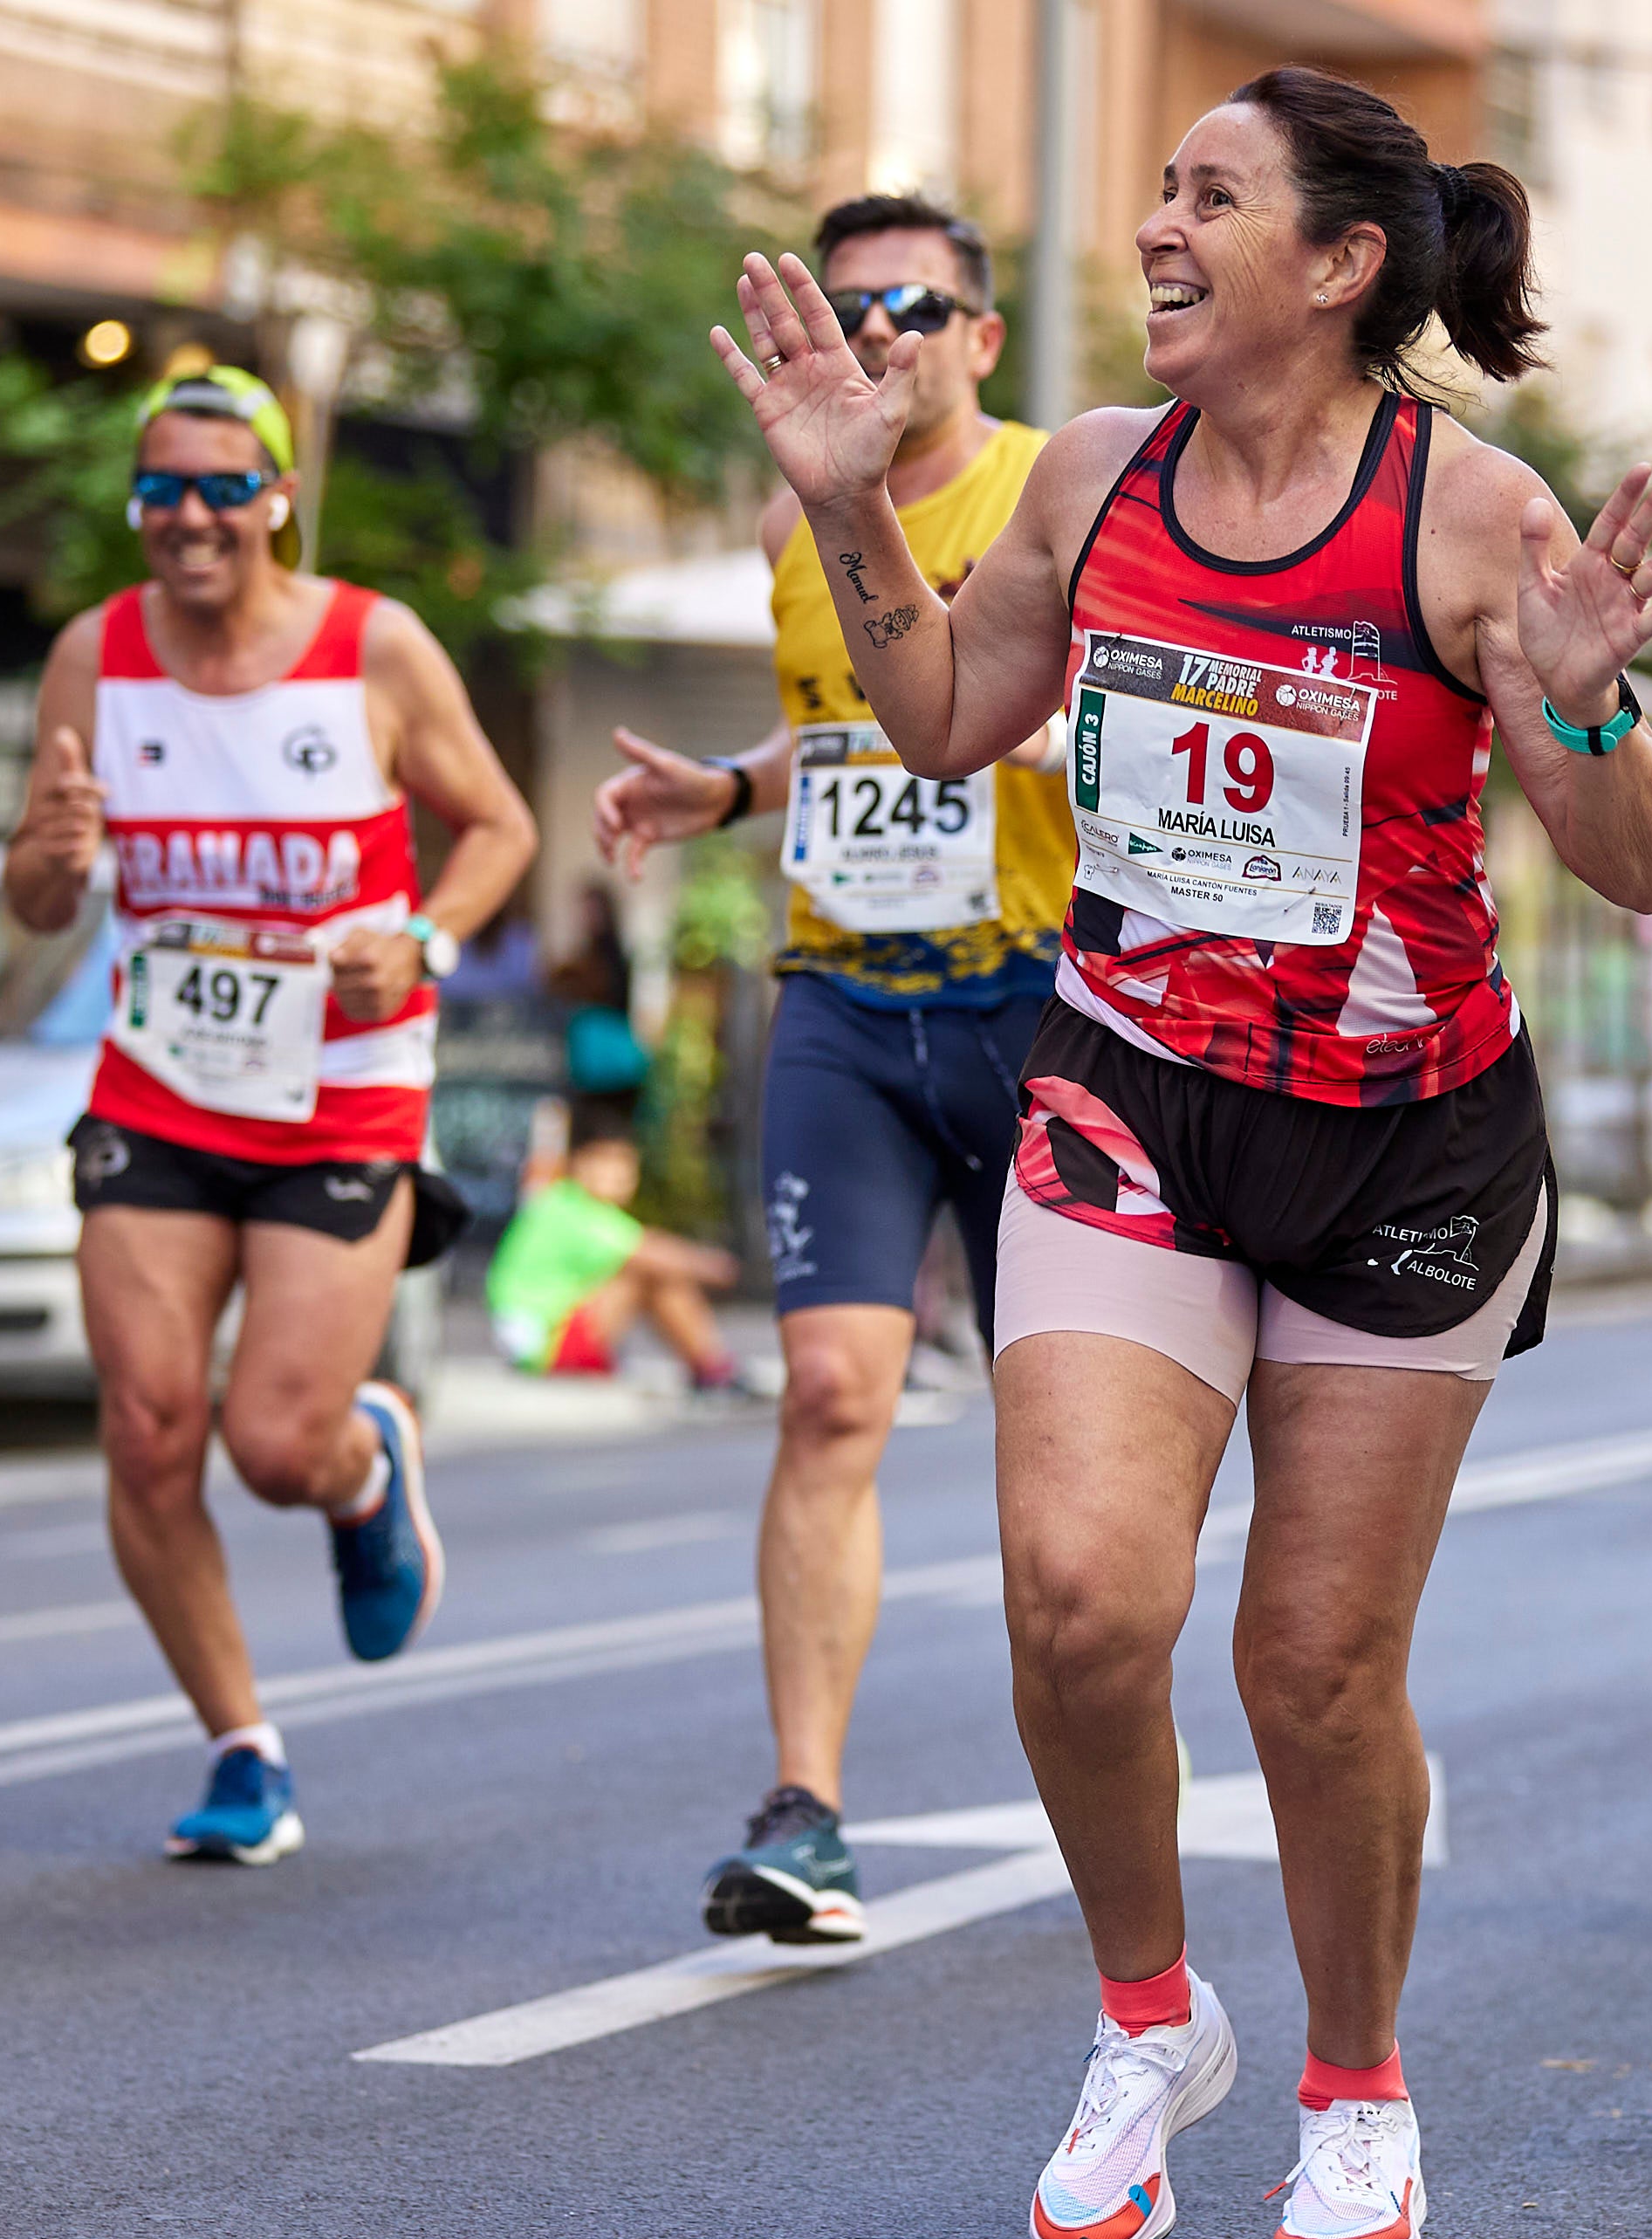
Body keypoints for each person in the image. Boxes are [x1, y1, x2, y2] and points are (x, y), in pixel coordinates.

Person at [713, 68, 1652, 2239]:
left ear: (1339, 264)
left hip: (1403, 1142)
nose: (1156, 228)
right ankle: (1148, 2021)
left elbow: (1638, 868)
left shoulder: (1471, 514)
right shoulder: (1093, 475)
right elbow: (943, 717)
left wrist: (1586, 709)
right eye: (1158, 191)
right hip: (1132, 1091)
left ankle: (1356, 2092)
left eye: (1208, 198)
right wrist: (851, 510)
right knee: (1078, 1599)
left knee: (1312, 1664)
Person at [595, 192, 1071, 1947]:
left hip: (1034, 1004)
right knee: (825, 1395)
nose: (881, 331)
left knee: (1063, 1437)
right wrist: (729, 788)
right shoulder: (796, 517)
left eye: (918, 306)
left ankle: (1107, 1770)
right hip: (847, 1006)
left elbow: (1038, 701)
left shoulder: (1053, 492)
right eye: (853, 301)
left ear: (982, 337)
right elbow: (850, 716)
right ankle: (806, 1813)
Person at [2, 365, 537, 1866]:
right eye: (161, 487)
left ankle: (360, 1461)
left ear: (280, 497)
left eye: (224, 487)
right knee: (148, 1427)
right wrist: (50, 855)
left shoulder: (374, 645)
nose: (190, 515)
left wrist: (421, 939)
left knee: (273, 1444)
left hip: (343, 1092)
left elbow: (502, 825)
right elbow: (37, 896)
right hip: (161, 1086)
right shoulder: (95, 655)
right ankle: (242, 1744)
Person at [485, 1097, 751, 1394]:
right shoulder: (573, 1211)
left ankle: (712, 1368)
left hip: (542, 1342)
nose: (618, 1175)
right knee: (649, 1272)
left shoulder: (565, 1203)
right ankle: (712, 1369)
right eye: (606, 1162)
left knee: (650, 1267)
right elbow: (649, 1250)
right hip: (546, 1348)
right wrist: (721, 1268)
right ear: (578, 1164)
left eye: (626, 1164)